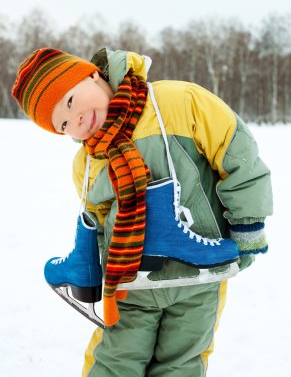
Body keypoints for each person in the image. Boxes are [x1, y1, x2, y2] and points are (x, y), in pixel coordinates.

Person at [12, 47, 272, 377]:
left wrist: (247, 225)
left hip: (199, 279)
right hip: (130, 287)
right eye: (62, 124)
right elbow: (101, 221)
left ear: (92, 75)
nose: (74, 120)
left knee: (182, 363)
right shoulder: (88, 163)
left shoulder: (178, 102)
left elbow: (237, 155)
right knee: (114, 362)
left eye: (70, 101)